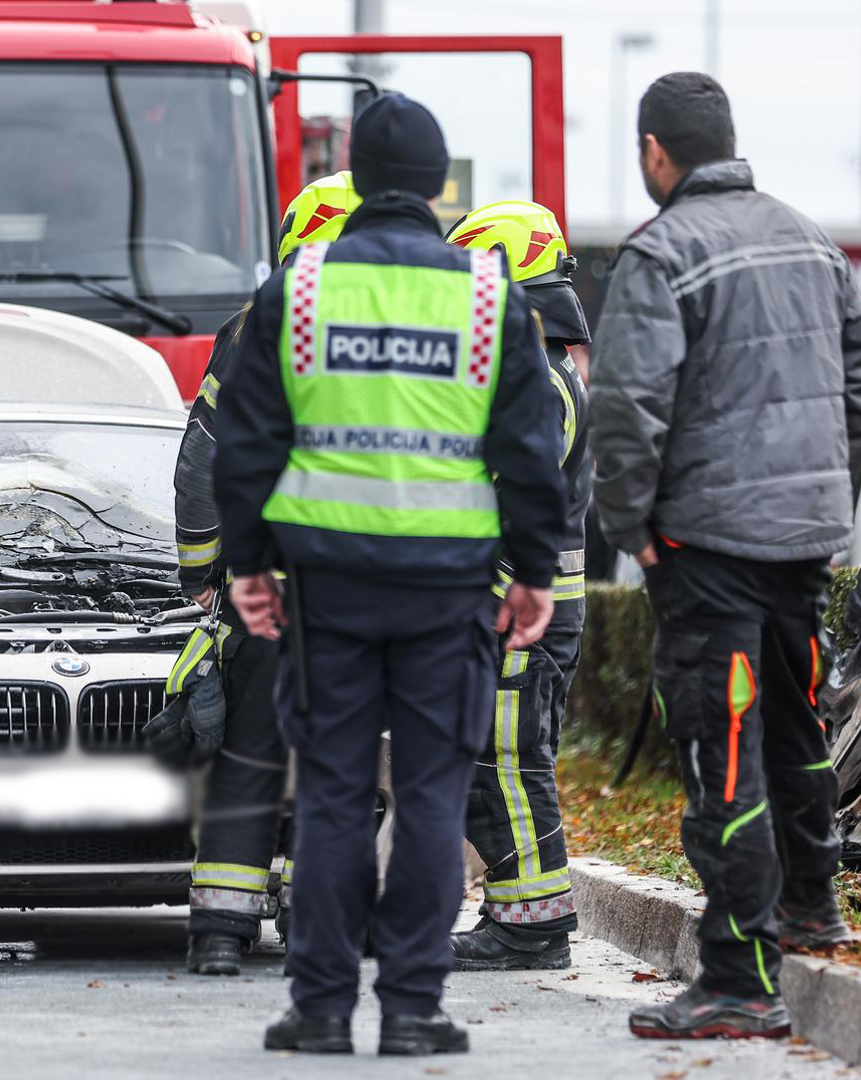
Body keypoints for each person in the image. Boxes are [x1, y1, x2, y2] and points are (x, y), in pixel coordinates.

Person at [214, 94, 568, 1056]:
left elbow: (245, 444)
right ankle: (412, 1009)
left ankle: (322, 1009)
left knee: (329, 796)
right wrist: (532, 571)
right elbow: (531, 453)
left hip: (322, 589)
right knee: (428, 798)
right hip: (445, 594)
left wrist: (245, 565)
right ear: (437, 186)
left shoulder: (299, 291)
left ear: (359, 182)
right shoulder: (490, 296)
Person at [589, 72, 861, 1040]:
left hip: (706, 544)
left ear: (655, 153)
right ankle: (812, 907)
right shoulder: (812, 241)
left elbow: (628, 410)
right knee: (798, 730)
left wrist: (628, 523)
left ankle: (739, 977)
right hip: (801, 542)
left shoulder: (660, 252)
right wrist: (820, 503)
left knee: (724, 752)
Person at [155, 171, 363, 978]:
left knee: (248, 749)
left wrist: (202, 572)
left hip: (268, 579)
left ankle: (218, 934)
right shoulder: (412, 325)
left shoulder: (257, 326)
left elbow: (203, 457)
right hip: (366, 580)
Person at [443, 201, 591, 971]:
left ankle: (532, 929)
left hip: (520, 614)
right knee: (493, 761)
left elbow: (508, 491)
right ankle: (519, 914)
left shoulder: (535, 369)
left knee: (506, 762)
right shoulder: (539, 359)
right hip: (520, 609)